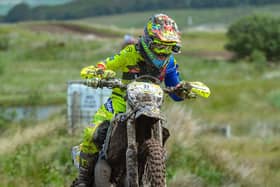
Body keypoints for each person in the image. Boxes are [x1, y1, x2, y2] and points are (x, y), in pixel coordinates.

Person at [73, 13, 187, 187]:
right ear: (149, 41)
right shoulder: (131, 52)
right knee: (93, 132)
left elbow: (175, 90)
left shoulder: (169, 63)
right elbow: (107, 64)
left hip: (151, 105)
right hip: (121, 101)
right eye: (159, 46)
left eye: (168, 47)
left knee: (163, 133)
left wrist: (183, 90)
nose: (163, 51)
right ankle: (82, 179)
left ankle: (153, 171)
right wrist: (98, 72)